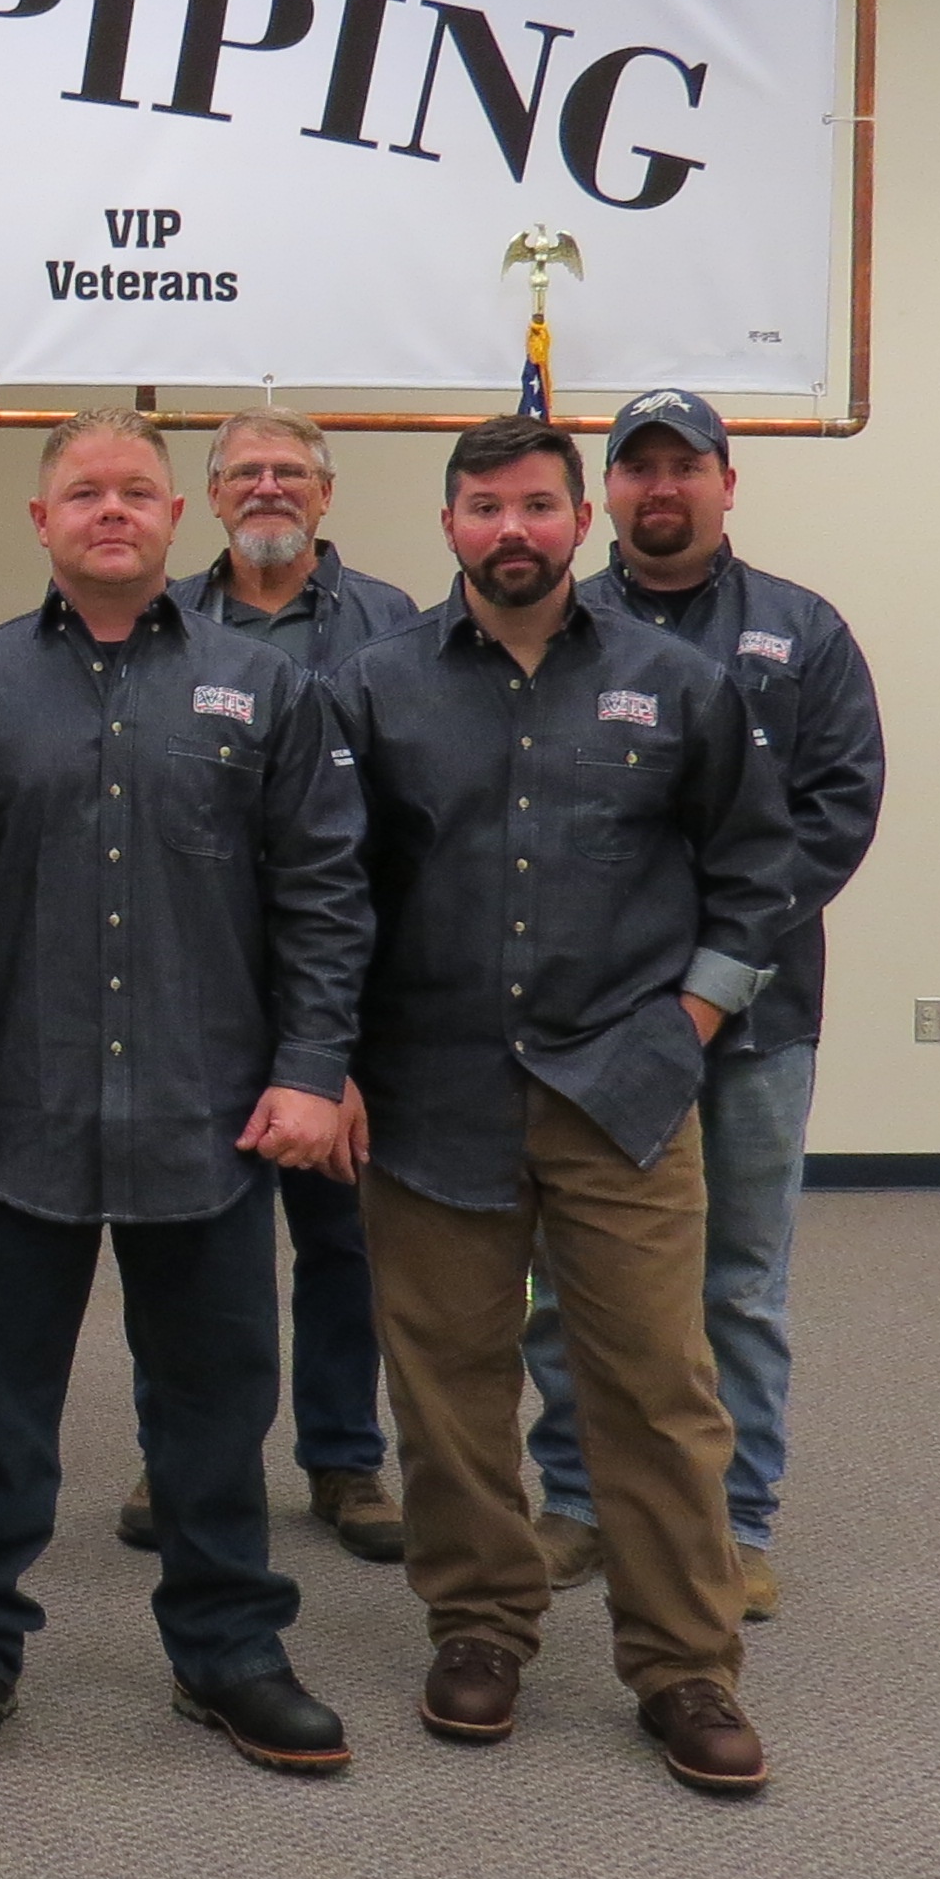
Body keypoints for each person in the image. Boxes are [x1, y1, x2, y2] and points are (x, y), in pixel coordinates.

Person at [0, 410, 373, 1779]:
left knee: (217, 1400)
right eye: (83, 493)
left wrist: (311, 1069)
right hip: (15, 1112)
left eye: (137, 493)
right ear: (41, 522)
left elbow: (325, 898)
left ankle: (228, 1650)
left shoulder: (267, 691)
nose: (112, 511)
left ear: (179, 518)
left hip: (210, 1113)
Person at [330, 413, 796, 1796]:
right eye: (485, 507)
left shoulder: (677, 681)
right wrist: (330, 1057)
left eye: (538, 504)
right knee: (451, 1390)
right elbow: (326, 891)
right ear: (451, 524)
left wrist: (693, 1019)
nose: (512, 530)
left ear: (580, 519)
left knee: (655, 1389)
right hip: (431, 1094)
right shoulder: (372, 686)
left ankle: (685, 1664)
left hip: (622, 1095)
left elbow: (756, 870)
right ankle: (480, 1627)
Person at [524, 391, 884, 1622]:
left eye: (686, 467)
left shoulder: (802, 632)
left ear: (728, 483)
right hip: (595, 1026)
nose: (661, 489)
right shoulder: (553, 626)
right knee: (571, 1275)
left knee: (735, 1279)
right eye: (638, 470)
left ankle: (736, 1522)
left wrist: (712, 974)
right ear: (605, 498)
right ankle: (572, 1500)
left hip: (757, 1021)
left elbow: (835, 814)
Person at [116, 405, 425, 1567]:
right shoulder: (165, 618)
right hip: (192, 995)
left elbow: (404, 821)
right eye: (243, 473)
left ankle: (344, 1458)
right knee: (187, 1244)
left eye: (288, 472)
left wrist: (344, 1040)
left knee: (340, 1240)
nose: (266, 489)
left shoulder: (391, 624)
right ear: (209, 498)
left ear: (325, 493)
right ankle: (182, 1450)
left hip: (337, 986)